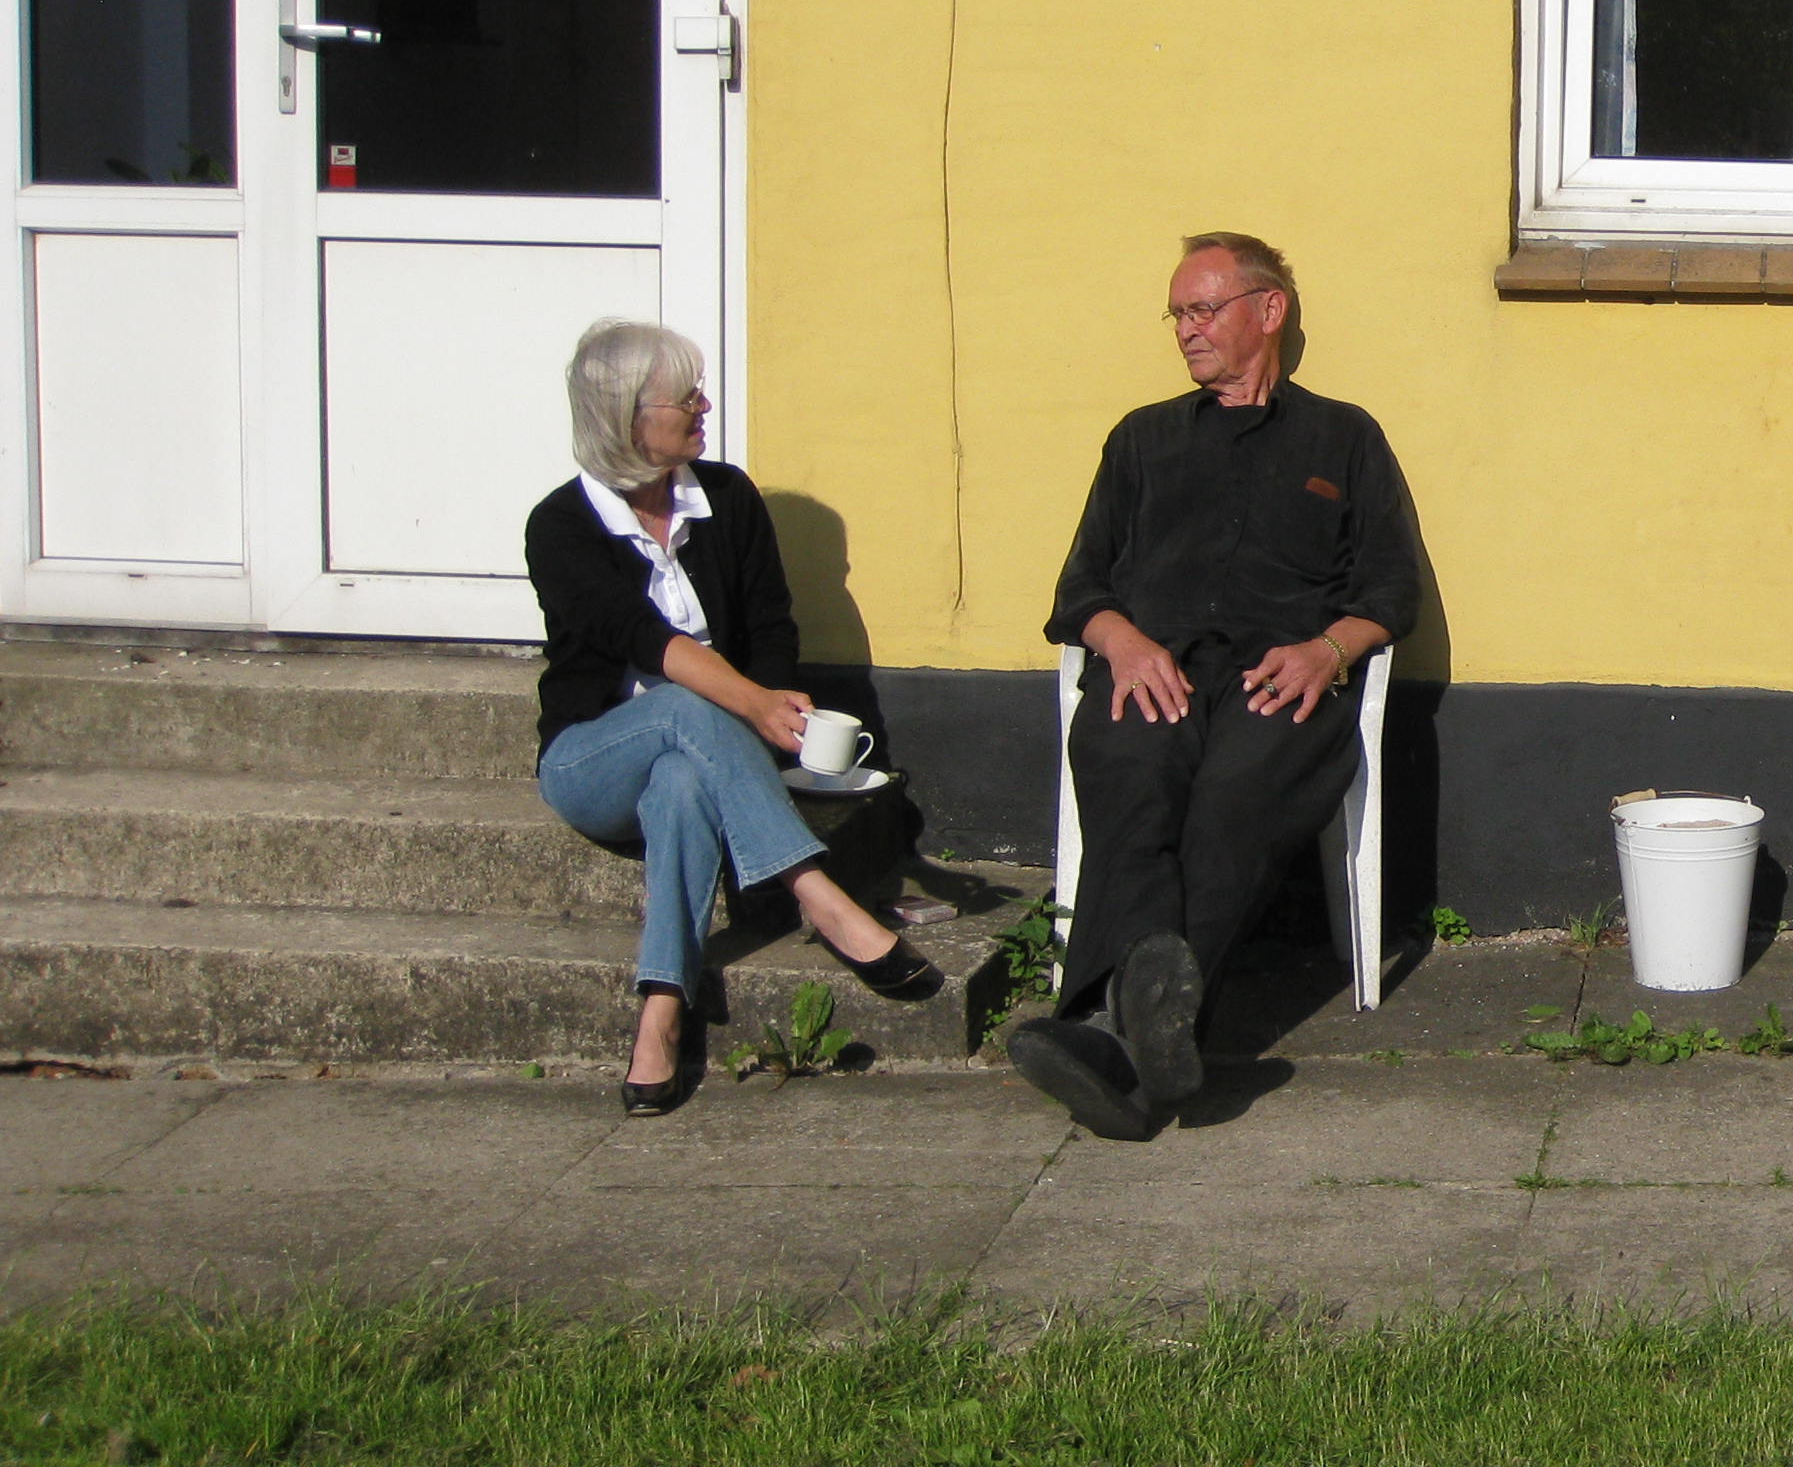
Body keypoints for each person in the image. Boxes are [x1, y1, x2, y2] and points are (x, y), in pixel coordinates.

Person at [1007, 233, 1425, 1142]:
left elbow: (1393, 591)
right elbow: (1079, 590)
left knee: (1236, 791)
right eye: (1178, 315)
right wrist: (1121, 643)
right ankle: (1141, 1040)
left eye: (1202, 310)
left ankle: (1107, 1036)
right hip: (1154, 669)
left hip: (1281, 679)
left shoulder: (1343, 437)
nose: (1186, 331)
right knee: (1129, 762)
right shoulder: (1142, 439)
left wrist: (1328, 651)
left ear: (1268, 310)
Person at [526, 319, 939, 1114]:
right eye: (686, 398)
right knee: (684, 699)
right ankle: (815, 891)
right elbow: (645, 641)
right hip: (590, 757)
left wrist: (767, 703)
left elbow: (771, 626)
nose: (704, 407)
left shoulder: (726, 496)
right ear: (627, 417)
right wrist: (753, 704)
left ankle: (661, 1010)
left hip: (704, 759)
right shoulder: (560, 526)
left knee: (682, 785)